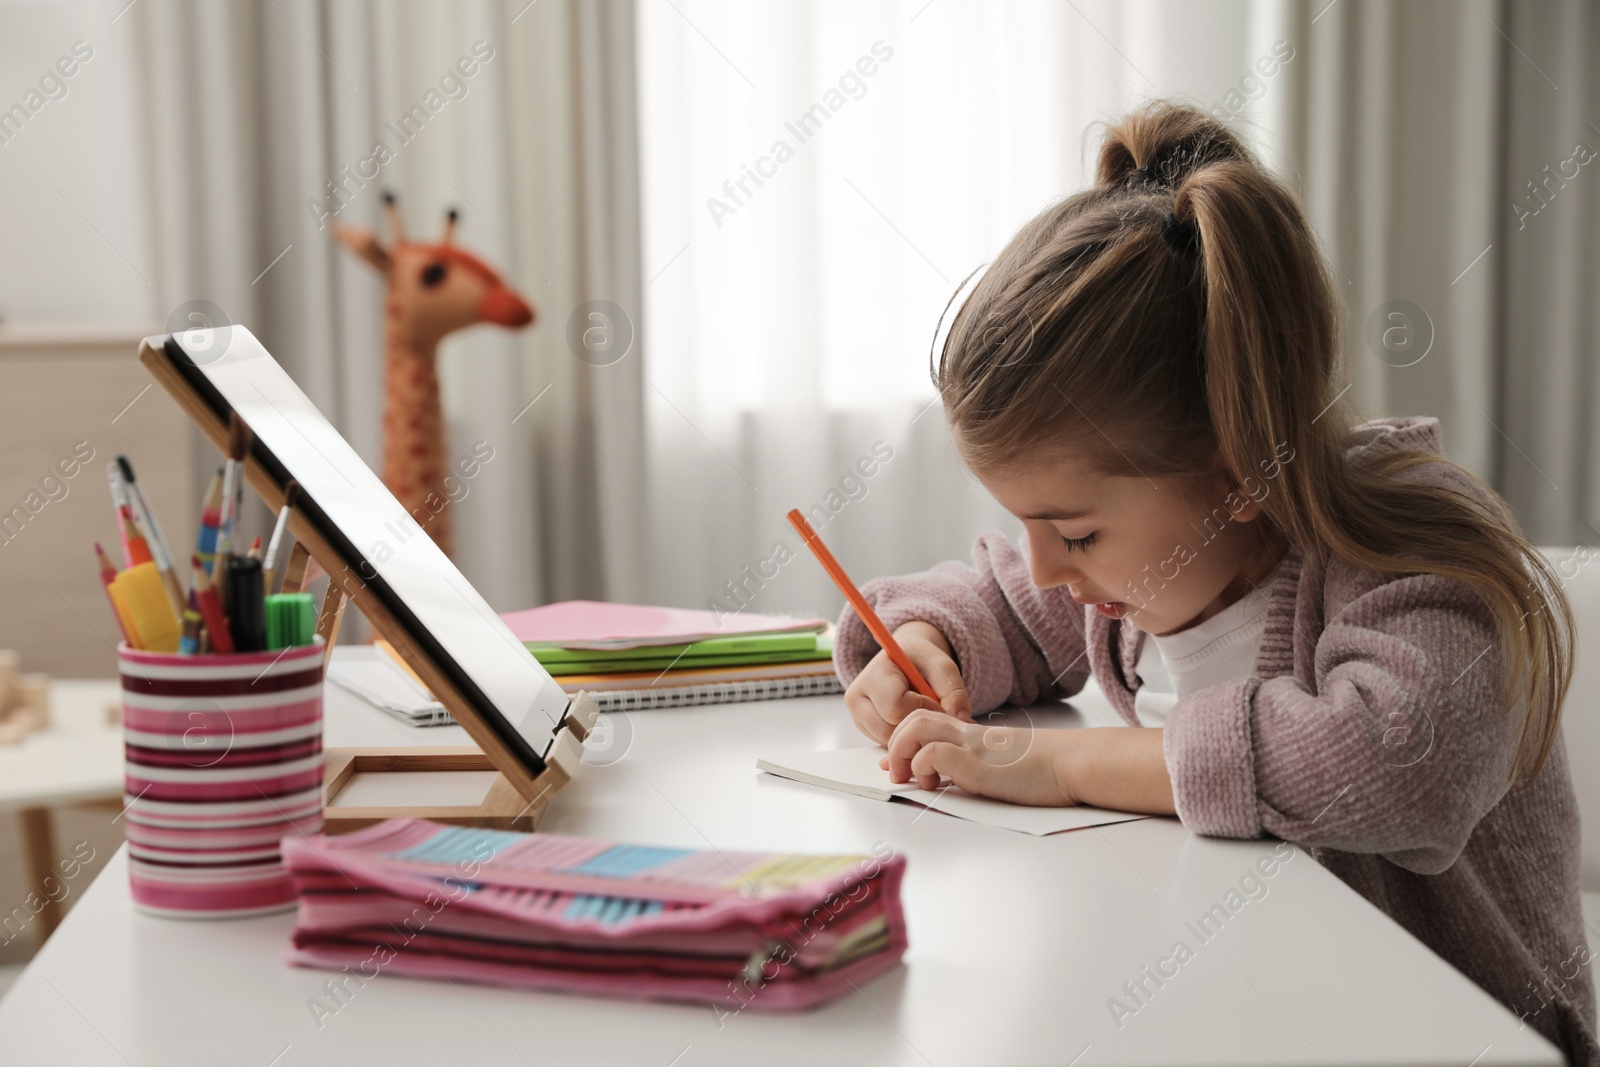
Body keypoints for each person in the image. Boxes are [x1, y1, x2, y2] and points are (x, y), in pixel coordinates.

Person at [835, 99, 1597, 1064]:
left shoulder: (1410, 547)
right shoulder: (1131, 577)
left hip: (1458, 1034)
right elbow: (997, 604)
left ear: (1236, 474)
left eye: (1071, 529)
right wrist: (921, 644)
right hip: (1247, 1003)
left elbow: (1398, 765)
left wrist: (1059, 767)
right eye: (1023, 523)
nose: (1043, 567)